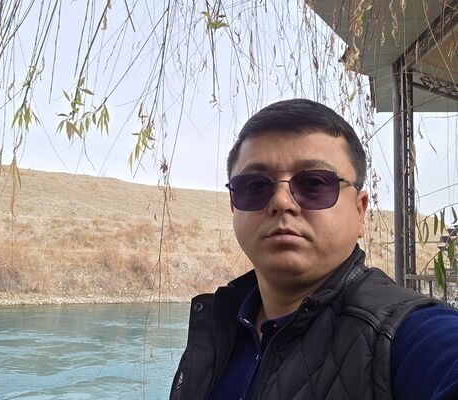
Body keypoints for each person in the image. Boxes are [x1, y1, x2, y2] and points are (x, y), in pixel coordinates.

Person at [169, 99, 458, 400]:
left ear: (360, 211)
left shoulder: (401, 334)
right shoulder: (217, 327)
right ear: (233, 206)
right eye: (255, 186)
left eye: (314, 183)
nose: (281, 202)